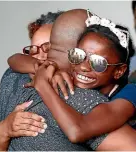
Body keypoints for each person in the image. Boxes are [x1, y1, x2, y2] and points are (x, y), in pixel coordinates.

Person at [7, 9, 136, 150]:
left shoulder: (130, 95)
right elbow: (13, 59)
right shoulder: (75, 78)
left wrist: (43, 85)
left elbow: (77, 132)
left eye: (98, 62)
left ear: (119, 71)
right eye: (78, 55)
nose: (84, 67)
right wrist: (41, 69)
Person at [0, 11, 64, 151]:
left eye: (48, 47)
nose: (40, 56)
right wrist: (3, 130)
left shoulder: (85, 88)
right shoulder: (13, 79)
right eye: (33, 50)